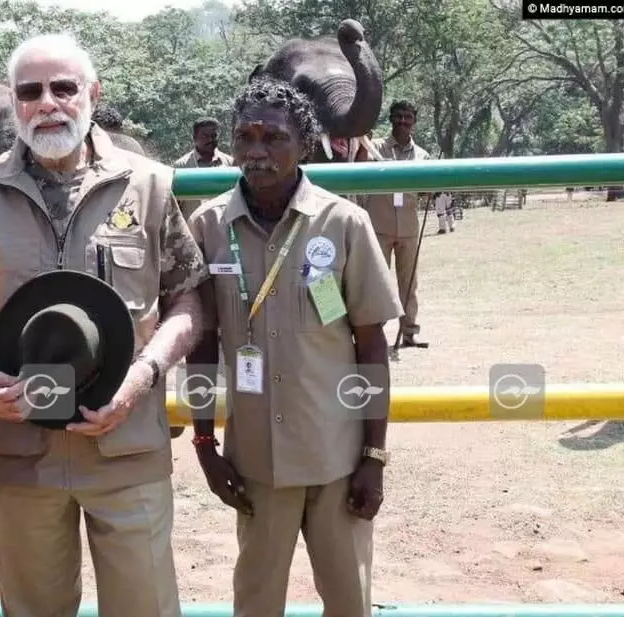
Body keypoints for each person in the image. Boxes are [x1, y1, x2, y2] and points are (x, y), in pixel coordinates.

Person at [0, 33, 207, 617]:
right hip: (17, 452)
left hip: (126, 446)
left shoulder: (149, 184)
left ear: (92, 93)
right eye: (30, 91)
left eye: (64, 87)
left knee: (146, 608)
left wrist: (144, 376)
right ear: (13, 103)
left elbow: (187, 304)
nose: (47, 103)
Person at [185, 78, 404, 617]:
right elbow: (201, 343)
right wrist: (205, 445)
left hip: (337, 460)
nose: (257, 151)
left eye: (274, 138)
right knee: (256, 601)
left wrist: (374, 456)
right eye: (246, 137)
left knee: (349, 601)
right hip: (255, 464)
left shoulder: (344, 223)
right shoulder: (209, 226)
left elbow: (371, 344)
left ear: (305, 143)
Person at [360, 100, 431, 347]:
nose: (403, 121)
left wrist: (432, 190)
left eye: (408, 117)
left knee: (409, 282)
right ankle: (373, 333)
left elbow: (425, 190)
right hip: (379, 226)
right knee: (377, 282)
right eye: (398, 116)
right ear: (391, 119)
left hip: (409, 229)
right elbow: (359, 173)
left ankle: (409, 331)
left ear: (414, 121)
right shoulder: (374, 148)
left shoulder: (422, 156)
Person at [173, 117, 234, 220]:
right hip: (193, 231)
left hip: (223, 230)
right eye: (205, 136)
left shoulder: (230, 164)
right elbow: (174, 207)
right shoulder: (181, 167)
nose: (210, 140)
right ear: (194, 137)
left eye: (213, 136)